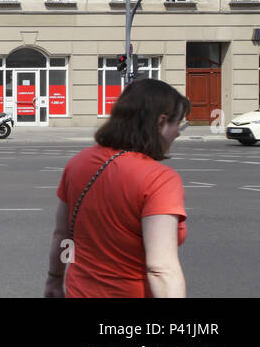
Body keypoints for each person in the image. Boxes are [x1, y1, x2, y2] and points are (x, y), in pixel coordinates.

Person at [45, 78, 190, 299]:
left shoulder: (78, 163)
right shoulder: (159, 179)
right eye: (178, 124)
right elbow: (161, 269)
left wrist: (54, 279)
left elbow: (63, 235)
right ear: (161, 122)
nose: (178, 133)